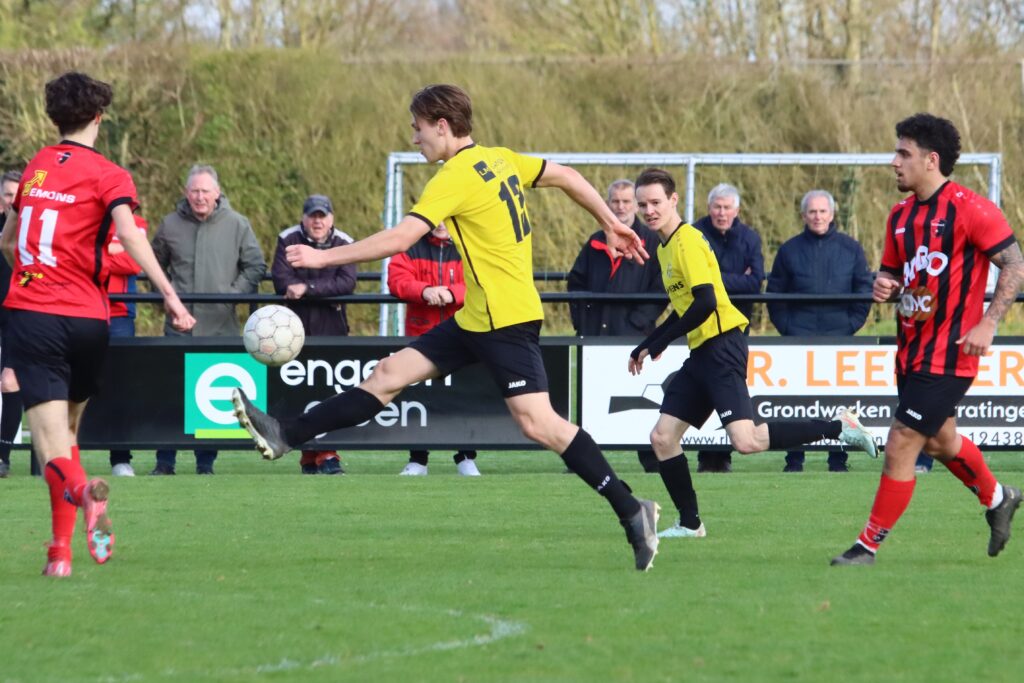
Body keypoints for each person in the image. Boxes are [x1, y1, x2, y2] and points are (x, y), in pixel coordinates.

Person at [232, 83, 662, 571]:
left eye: (417, 128)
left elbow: (401, 238)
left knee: (538, 424)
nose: (414, 138)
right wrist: (608, 221)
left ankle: (632, 509)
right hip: (477, 316)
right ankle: (285, 433)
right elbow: (565, 175)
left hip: (505, 319)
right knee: (388, 374)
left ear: (442, 126)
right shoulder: (500, 159)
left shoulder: (454, 176)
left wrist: (322, 257)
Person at [0, 71, 194, 577]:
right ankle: (59, 554)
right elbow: (129, 235)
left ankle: (84, 492)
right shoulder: (111, 174)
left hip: (35, 316)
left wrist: (31, 274)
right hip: (90, 320)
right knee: (68, 435)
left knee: (50, 447)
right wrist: (169, 295)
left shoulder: (36, 167)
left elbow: (8, 241)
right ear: (99, 119)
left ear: (54, 118)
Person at [627, 168, 876, 540]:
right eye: (642, 204)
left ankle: (840, 427)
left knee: (746, 441)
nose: (649, 211)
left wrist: (661, 342)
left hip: (722, 347)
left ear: (674, 200)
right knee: (663, 438)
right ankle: (690, 523)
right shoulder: (665, 247)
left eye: (655, 202)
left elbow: (706, 302)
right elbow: (685, 307)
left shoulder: (686, 241)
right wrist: (650, 342)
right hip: (702, 353)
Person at [831, 113, 1024, 566]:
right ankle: (999, 498)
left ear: (931, 160)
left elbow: (1015, 264)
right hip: (911, 352)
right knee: (939, 441)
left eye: (904, 154)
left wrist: (989, 322)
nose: (894, 162)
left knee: (902, 440)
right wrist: (886, 287)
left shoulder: (972, 209)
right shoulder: (899, 216)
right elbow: (895, 276)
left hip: (952, 353)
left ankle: (866, 546)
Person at [150, 164, 266, 475]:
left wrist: (231, 295)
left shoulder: (238, 224)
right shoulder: (169, 224)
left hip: (220, 327)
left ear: (217, 193)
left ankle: (205, 464)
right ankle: (164, 462)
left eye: (205, 191)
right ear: (185, 193)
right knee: (170, 395)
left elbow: (255, 266)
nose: (200, 197)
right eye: (194, 191)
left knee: (211, 395)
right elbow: (153, 266)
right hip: (177, 329)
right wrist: (169, 302)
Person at [767, 190, 873, 473]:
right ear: (804, 215)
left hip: (839, 338)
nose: (817, 217)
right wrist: (788, 329)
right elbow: (775, 295)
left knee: (839, 403)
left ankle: (838, 460)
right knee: (796, 403)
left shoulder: (851, 248)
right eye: (812, 212)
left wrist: (849, 325)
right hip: (798, 339)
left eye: (822, 211)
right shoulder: (788, 250)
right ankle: (794, 460)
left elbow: (864, 290)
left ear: (832, 214)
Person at [568, 179, 664, 474]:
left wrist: (637, 323)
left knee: (640, 403)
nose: (620, 207)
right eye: (615, 201)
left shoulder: (651, 242)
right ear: (607, 204)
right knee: (591, 402)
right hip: (595, 339)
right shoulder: (595, 241)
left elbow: (661, 289)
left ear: (635, 205)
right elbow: (575, 282)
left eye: (626, 201)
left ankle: (652, 462)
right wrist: (583, 323)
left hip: (634, 339)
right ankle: (585, 462)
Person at [387, 220, 480, 476]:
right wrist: (424, 290)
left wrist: (452, 293)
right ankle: (418, 460)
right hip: (421, 336)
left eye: (446, 217)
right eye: (437, 217)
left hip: (462, 333)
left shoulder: (470, 243)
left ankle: (466, 457)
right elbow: (396, 280)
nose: (440, 223)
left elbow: (483, 280)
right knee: (418, 398)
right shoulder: (411, 245)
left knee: (462, 397)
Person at [272, 193, 356, 475]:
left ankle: (328, 453)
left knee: (329, 392)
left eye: (322, 216)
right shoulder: (287, 238)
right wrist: (318, 290)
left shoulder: (344, 241)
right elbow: (281, 278)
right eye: (313, 216)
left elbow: (347, 282)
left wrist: (308, 289)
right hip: (293, 330)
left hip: (332, 328)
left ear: (331, 219)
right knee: (299, 391)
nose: (317, 222)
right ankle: (309, 454)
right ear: (304, 218)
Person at [692, 184, 764, 473]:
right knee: (704, 389)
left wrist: (713, 279)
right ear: (709, 208)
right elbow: (694, 282)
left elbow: (755, 282)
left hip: (735, 328)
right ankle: (706, 455)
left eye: (727, 208)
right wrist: (735, 279)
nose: (722, 213)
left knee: (729, 389)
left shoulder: (750, 238)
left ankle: (724, 454)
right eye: (717, 207)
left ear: (737, 210)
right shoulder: (694, 234)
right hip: (702, 326)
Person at [105, 214, 150, 476]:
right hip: (82, 310)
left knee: (120, 387)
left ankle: (120, 459)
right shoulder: (82, 217)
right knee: (71, 383)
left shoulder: (135, 223)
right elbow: (73, 260)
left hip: (119, 315)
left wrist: (97, 252)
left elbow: (133, 262)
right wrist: (114, 248)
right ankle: (63, 455)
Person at [0, 170, 22, 478]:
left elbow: (37, 272)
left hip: (18, 317)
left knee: (10, 383)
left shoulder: (35, 231)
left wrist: (22, 287)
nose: (12, 200)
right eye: (7, 194)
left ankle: (2, 457)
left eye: (18, 195)